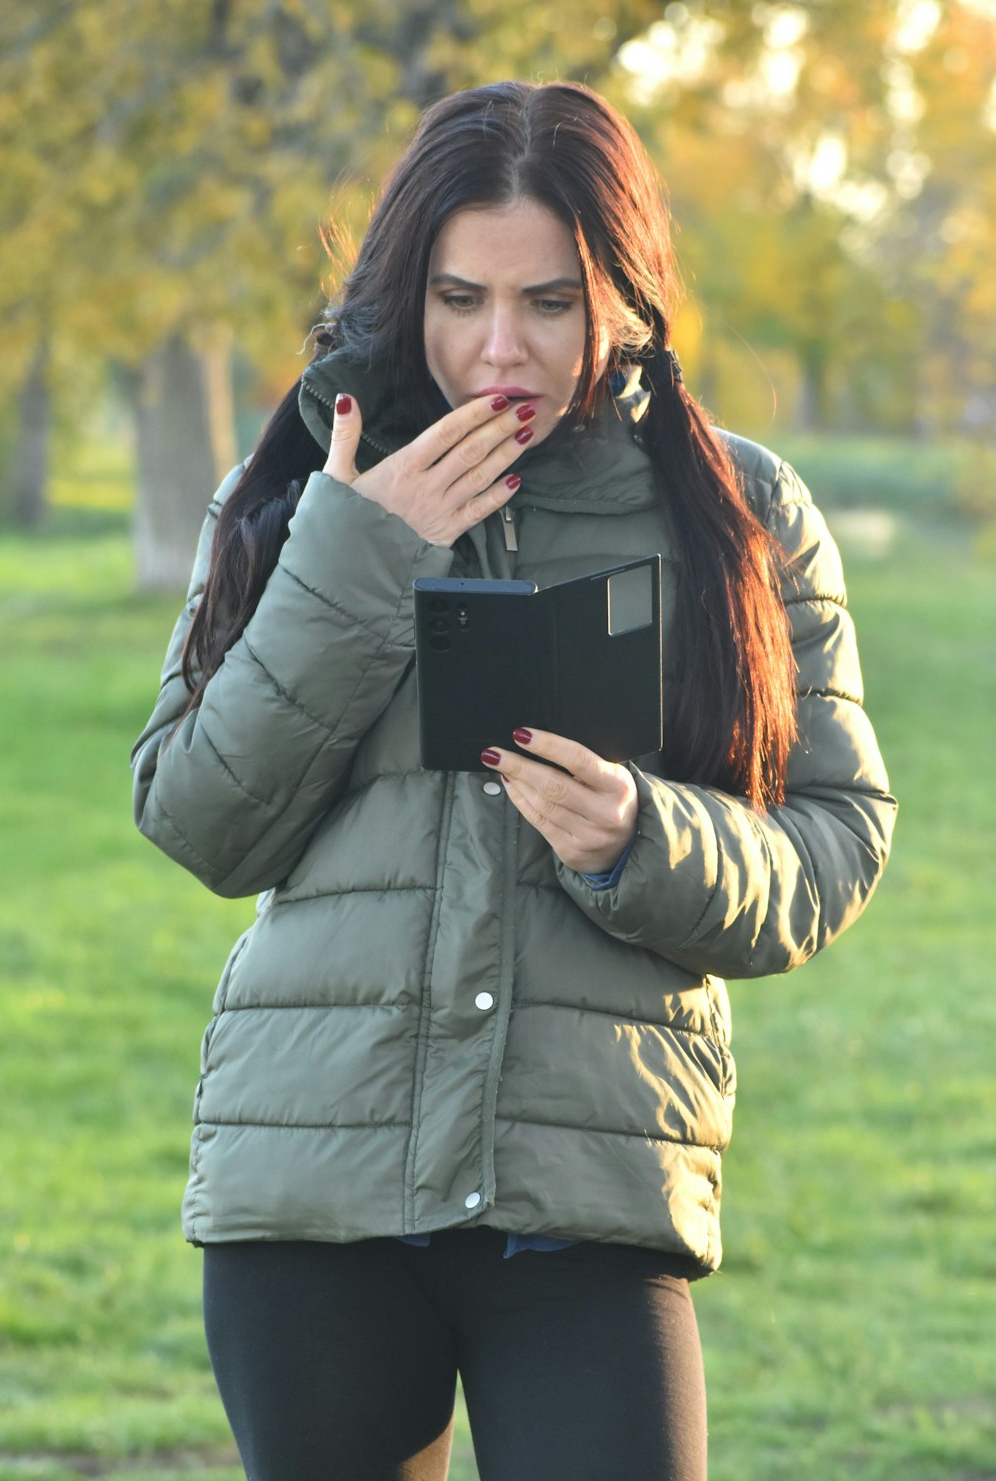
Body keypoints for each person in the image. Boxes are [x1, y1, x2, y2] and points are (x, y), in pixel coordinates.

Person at [131, 79, 896, 1481]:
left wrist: (640, 839)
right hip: (313, 1201)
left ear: (626, 294)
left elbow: (837, 839)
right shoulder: (305, 486)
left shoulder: (737, 512)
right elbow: (200, 817)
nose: (502, 351)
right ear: (404, 287)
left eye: (551, 302)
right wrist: (357, 554)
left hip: (590, 1197)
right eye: (461, 296)